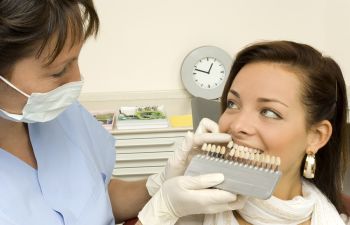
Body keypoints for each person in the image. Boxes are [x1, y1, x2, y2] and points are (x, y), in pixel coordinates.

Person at [0, 1, 246, 224]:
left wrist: (159, 183)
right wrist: (162, 210)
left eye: (75, 60)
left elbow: (97, 198)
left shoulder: (61, 115)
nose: (77, 78)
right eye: (58, 71)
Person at [140, 40, 350, 225]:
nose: (237, 124)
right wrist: (162, 208)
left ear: (317, 136)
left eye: (269, 112)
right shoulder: (189, 212)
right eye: (232, 104)